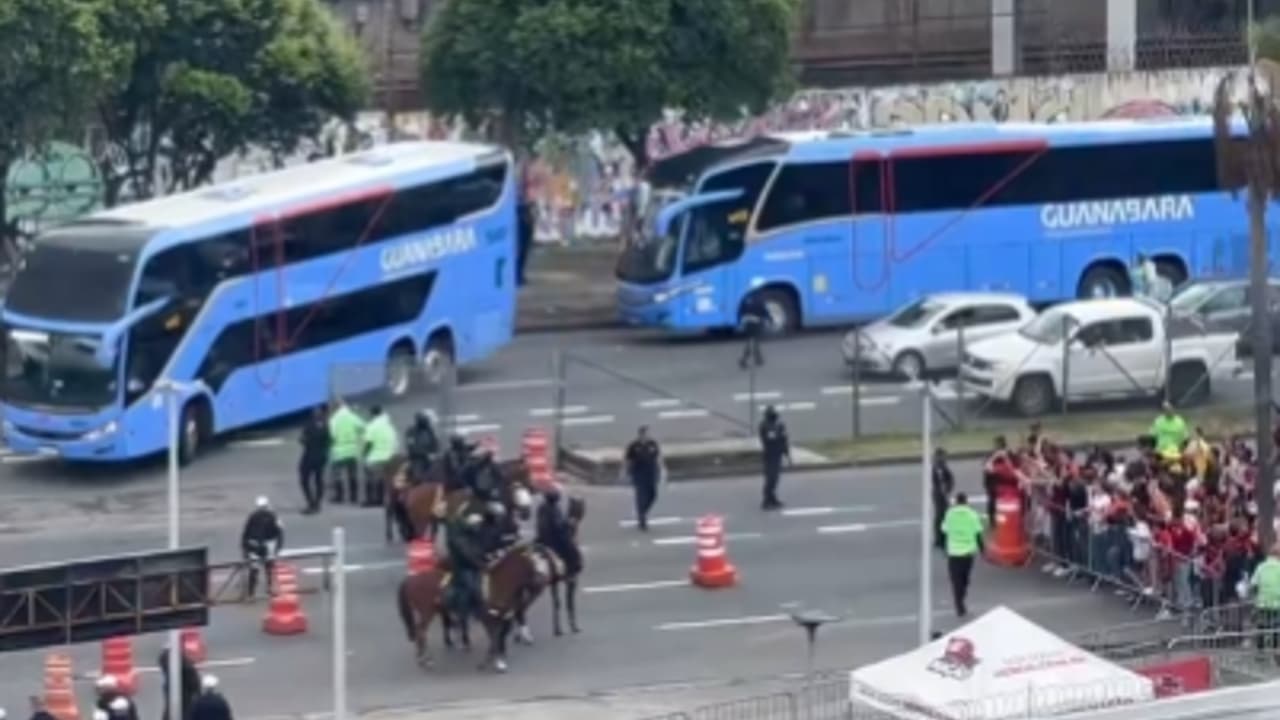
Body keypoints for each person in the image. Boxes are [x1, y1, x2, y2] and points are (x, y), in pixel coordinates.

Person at [942, 492, 985, 617]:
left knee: (956, 580)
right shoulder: (972, 515)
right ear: (966, 502)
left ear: (956, 502)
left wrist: (944, 546)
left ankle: (958, 600)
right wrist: (982, 549)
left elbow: (944, 530)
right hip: (968, 553)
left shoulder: (950, 514)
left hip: (954, 552)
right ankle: (960, 601)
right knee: (965, 579)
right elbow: (978, 534)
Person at [446, 505, 488, 621]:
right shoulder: (458, 534)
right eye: (476, 523)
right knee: (472, 588)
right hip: (463, 566)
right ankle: (462, 612)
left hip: (472, 565)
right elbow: (466, 552)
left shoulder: (470, 531)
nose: (478, 526)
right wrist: (480, 564)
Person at [240, 496, 284, 598]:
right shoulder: (273, 516)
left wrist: (244, 547)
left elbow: (246, 532)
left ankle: (252, 593)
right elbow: (280, 532)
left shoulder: (253, 516)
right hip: (268, 544)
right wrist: (278, 546)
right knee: (267, 567)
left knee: (256, 568)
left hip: (256, 544)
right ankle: (267, 589)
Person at [536, 487, 583, 577]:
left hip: (541, 537)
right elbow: (558, 526)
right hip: (554, 539)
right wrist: (568, 524)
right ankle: (572, 569)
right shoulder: (554, 509)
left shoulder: (541, 507)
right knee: (571, 548)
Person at [623, 426, 662, 530]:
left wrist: (660, 471)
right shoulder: (633, 446)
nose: (646, 436)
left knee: (652, 495)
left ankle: (643, 511)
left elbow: (657, 458)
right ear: (640, 435)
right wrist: (627, 473)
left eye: (648, 434)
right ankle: (642, 518)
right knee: (640, 496)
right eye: (644, 434)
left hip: (650, 473)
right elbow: (628, 460)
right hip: (639, 474)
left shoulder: (652, 444)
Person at [328, 400, 365, 504]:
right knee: (352, 474)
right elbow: (363, 427)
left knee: (337, 475)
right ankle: (354, 496)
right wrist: (359, 438)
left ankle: (340, 496)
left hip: (339, 452)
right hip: (352, 450)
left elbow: (331, 435)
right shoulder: (352, 417)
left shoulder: (334, 420)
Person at [362, 405, 399, 508]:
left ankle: (371, 500)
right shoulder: (389, 426)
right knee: (384, 480)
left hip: (375, 457)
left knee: (371, 479)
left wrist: (364, 454)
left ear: (372, 414)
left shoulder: (371, 426)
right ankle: (381, 499)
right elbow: (395, 441)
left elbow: (368, 443)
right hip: (388, 456)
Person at [297, 405, 330, 514]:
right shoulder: (326, 426)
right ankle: (317, 502)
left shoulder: (308, 425)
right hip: (321, 456)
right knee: (319, 480)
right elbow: (328, 441)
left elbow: (302, 440)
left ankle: (311, 503)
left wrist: (307, 442)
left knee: (304, 480)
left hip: (309, 456)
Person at [758, 406, 791, 510]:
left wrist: (786, 453)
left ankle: (772, 498)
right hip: (769, 455)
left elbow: (784, 439)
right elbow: (770, 438)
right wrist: (778, 433)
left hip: (777, 454)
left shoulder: (780, 425)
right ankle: (766, 500)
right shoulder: (764, 426)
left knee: (775, 478)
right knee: (770, 478)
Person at [158, 647, 202, 720]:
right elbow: (196, 688)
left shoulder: (172, 674)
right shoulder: (188, 669)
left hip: (180, 704)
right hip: (186, 705)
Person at [1251, 543, 1280, 652]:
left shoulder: (1261, 567)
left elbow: (1253, 584)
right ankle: (1276, 648)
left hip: (1262, 602)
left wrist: (1256, 597)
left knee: (1262, 626)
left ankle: (1261, 649)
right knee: (1277, 627)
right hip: (1277, 603)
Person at [405, 411, 440, 482]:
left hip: (429, 456)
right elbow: (410, 445)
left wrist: (434, 452)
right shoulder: (411, 431)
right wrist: (421, 453)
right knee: (417, 476)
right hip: (417, 457)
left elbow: (435, 442)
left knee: (434, 473)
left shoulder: (429, 430)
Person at [931, 447, 955, 550]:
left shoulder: (939, 465)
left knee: (941, 516)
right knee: (942, 516)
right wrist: (946, 492)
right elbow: (942, 482)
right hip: (940, 494)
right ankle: (941, 539)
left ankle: (940, 538)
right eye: (944, 456)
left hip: (939, 493)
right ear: (940, 456)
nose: (946, 458)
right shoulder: (939, 467)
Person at [738, 294, 767, 369]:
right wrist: (769, 320)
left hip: (747, 323)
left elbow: (741, 311)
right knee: (754, 342)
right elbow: (764, 311)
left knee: (751, 341)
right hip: (755, 323)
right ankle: (744, 360)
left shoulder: (746, 299)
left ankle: (758, 359)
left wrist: (741, 322)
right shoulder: (760, 301)